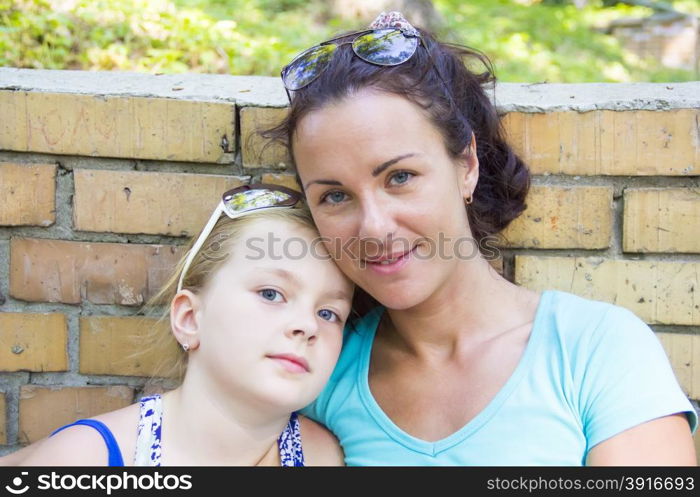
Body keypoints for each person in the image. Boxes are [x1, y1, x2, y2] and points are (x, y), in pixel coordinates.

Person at [261, 11, 698, 465]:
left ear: (466, 165)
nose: (374, 227)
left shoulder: (594, 350)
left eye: (400, 177)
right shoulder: (316, 369)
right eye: (335, 196)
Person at [9, 184, 354, 466]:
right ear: (190, 318)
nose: (307, 325)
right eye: (271, 293)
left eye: (328, 313)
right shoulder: (87, 459)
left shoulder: (324, 456)